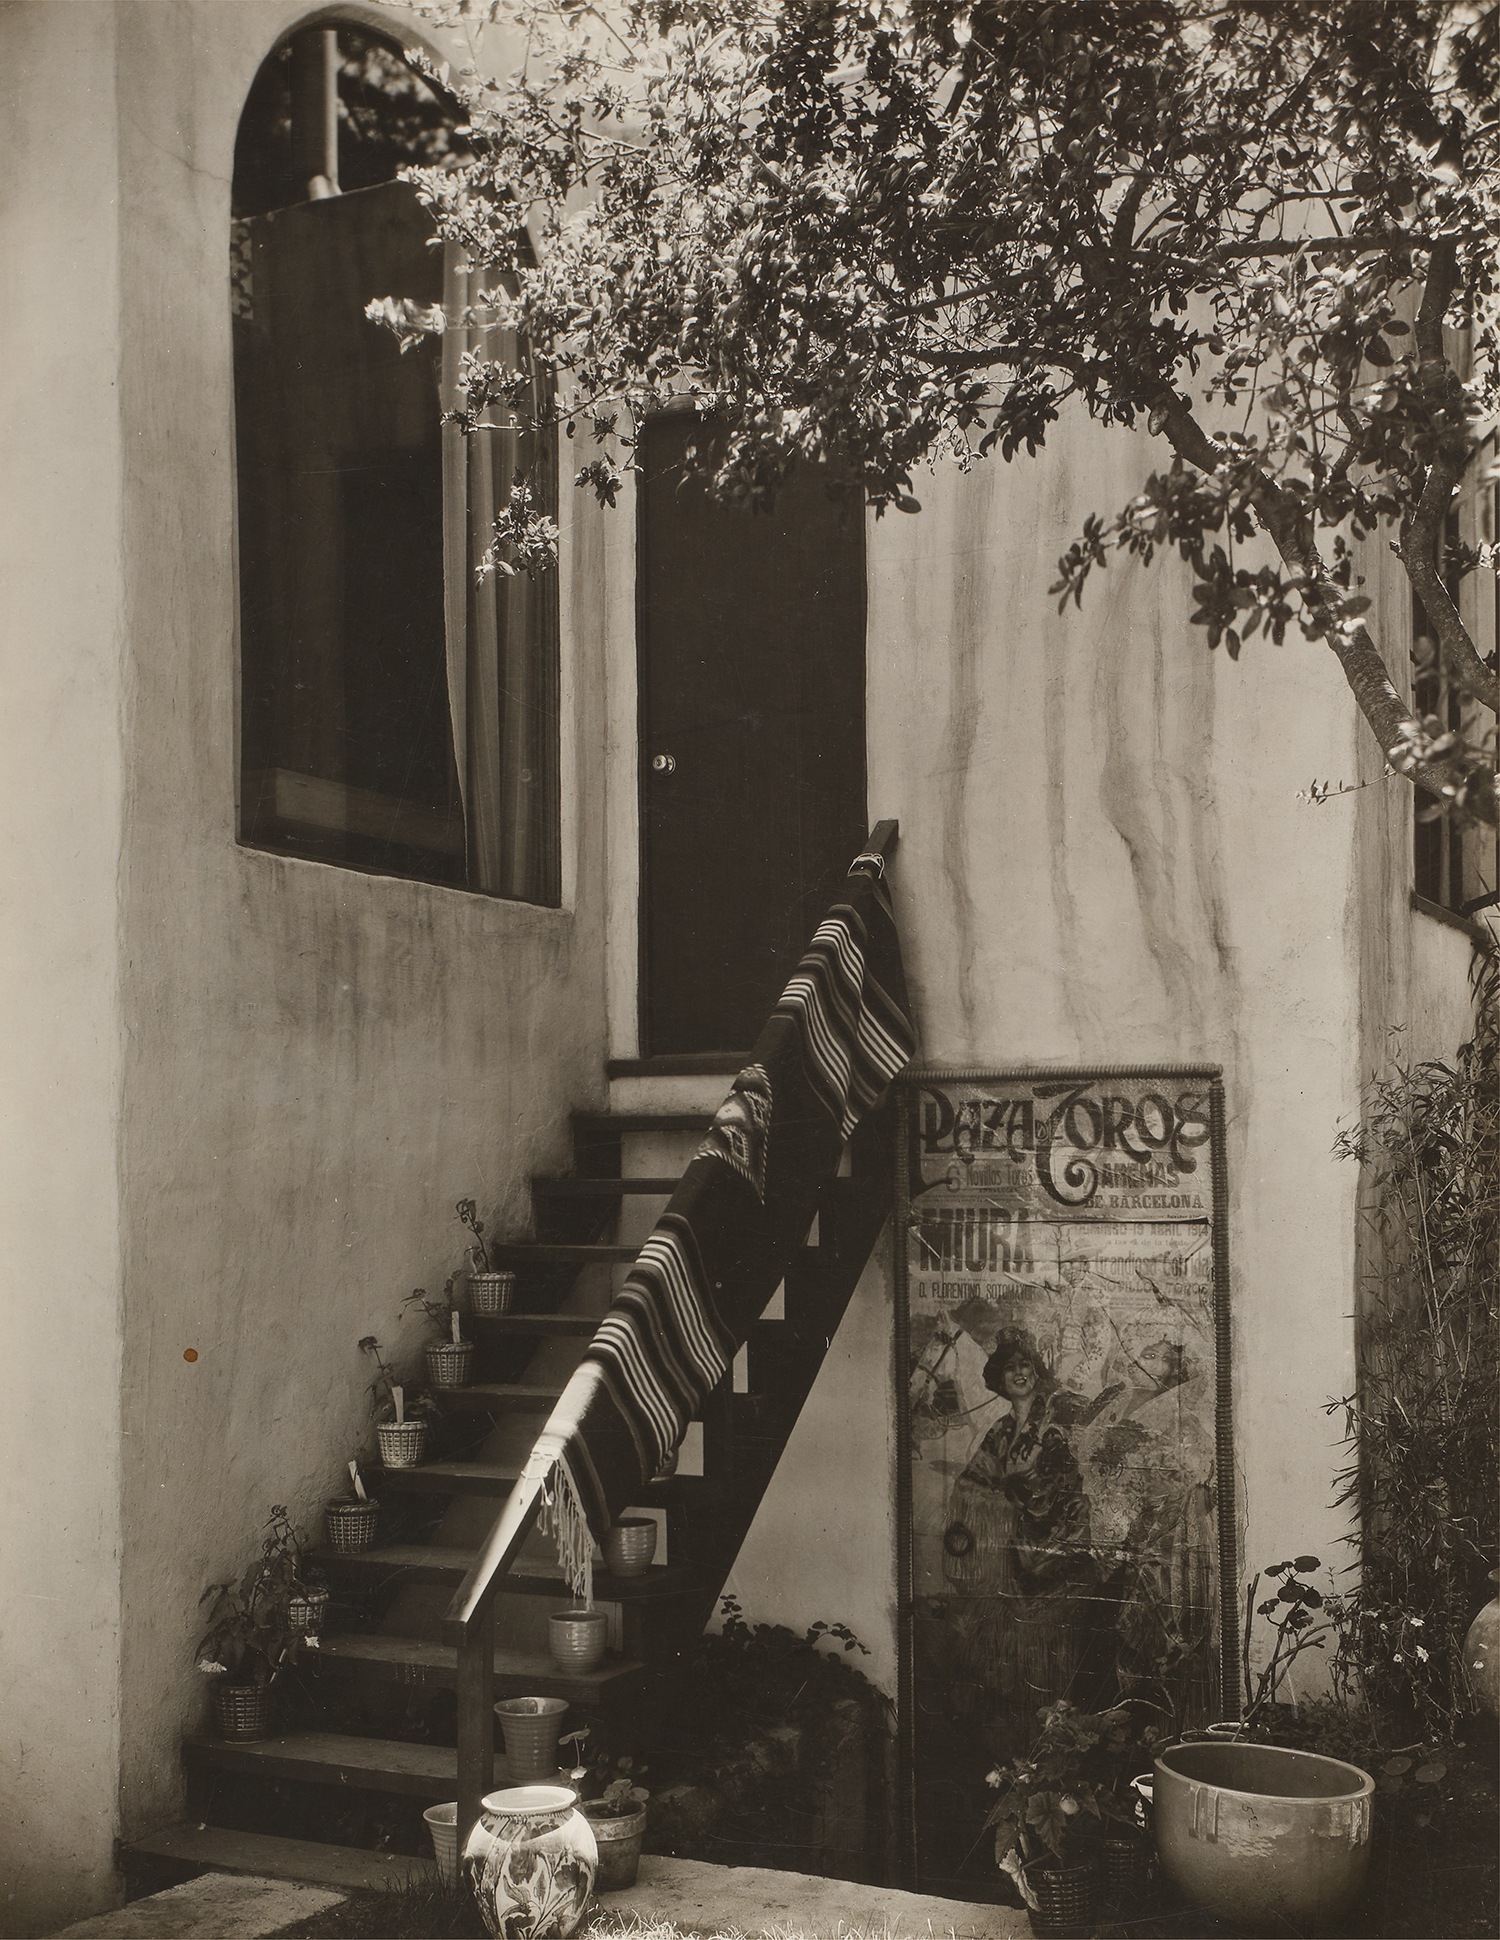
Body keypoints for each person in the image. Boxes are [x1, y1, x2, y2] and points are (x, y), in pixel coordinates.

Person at [941, 1327, 1100, 1752]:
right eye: (1009, 1367)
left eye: (1025, 1365)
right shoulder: (999, 1431)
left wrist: (1015, 1490)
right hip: (1011, 1562)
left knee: (1050, 1665)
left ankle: (1051, 1749)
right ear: (998, 1378)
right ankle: (1015, 1752)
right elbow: (969, 1486)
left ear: (1037, 1370)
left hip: (1054, 1563)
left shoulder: (1058, 1422)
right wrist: (1007, 1489)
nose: (1019, 1373)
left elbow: (1063, 1488)